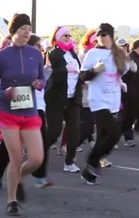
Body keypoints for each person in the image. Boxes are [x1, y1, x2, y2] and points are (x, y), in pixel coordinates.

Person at [0, 13, 45, 216]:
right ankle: (11, 201)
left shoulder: (36, 54)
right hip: (7, 111)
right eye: (23, 28)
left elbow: (42, 78)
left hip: (29, 110)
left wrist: (39, 84)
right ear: (13, 31)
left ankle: (18, 178)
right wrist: (4, 93)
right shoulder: (2, 55)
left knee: (37, 158)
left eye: (29, 28)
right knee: (17, 156)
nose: (27, 32)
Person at [79, 23, 133, 185]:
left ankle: (89, 174)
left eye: (103, 34)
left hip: (113, 100)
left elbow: (122, 72)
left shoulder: (117, 53)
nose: (100, 37)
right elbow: (82, 77)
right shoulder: (92, 53)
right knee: (115, 133)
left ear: (110, 35)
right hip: (98, 100)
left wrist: (130, 65)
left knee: (105, 136)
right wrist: (95, 70)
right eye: (98, 34)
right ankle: (92, 158)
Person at [45, 26, 83, 173]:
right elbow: (50, 74)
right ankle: (40, 150)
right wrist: (65, 70)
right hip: (56, 98)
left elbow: (79, 72)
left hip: (73, 98)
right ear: (57, 38)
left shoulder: (73, 54)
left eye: (69, 35)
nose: (68, 37)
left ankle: (69, 162)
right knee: (54, 132)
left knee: (74, 131)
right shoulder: (53, 54)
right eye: (65, 35)